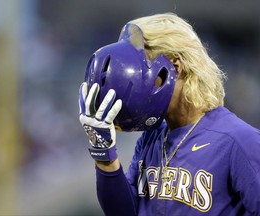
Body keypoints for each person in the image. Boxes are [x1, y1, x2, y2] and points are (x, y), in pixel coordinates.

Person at [79, 12, 260, 216]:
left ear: (175, 66)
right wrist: (105, 156)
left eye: (141, 67)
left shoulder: (239, 141)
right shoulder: (151, 139)